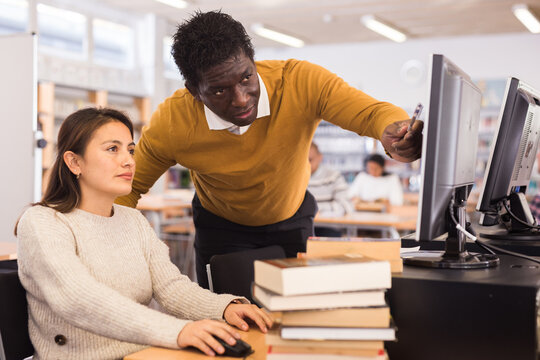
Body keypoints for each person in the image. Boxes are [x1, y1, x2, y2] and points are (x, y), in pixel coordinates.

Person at [115, 10, 423, 288]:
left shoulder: (299, 82)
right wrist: (107, 247)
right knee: (226, 322)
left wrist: (394, 132)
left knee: (298, 315)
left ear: (253, 60)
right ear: (194, 91)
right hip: (221, 227)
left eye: (246, 77)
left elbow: (372, 114)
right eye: (220, 90)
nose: (240, 98)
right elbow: (127, 186)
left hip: (292, 219)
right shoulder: (174, 122)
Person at [15, 108, 273, 359]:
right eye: (112, 149)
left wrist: (224, 308)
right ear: (74, 162)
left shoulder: (133, 220)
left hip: (146, 354)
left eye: (130, 150)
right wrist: (178, 330)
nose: (128, 160)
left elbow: (171, 288)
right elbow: (77, 298)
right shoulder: (43, 222)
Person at [308, 142, 353, 217]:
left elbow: (346, 205)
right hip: (301, 227)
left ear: (320, 157)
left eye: (310, 160)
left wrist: (311, 210)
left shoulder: (334, 177)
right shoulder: (294, 179)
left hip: (328, 226)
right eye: (302, 160)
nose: (306, 164)